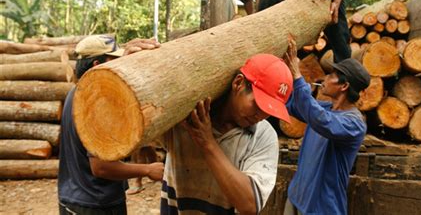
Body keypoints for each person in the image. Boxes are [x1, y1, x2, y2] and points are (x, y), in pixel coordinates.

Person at [160, 53, 294, 214]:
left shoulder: (264, 136)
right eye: (258, 105)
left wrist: (208, 144)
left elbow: (249, 204)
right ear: (238, 83)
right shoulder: (186, 116)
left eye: (269, 111)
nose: (260, 116)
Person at [58, 35, 164, 215]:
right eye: (114, 60)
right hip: (95, 205)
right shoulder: (98, 104)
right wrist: (148, 169)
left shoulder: (77, 92)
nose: (119, 64)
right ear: (96, 65)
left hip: (75, 199)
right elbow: (100, 167)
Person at [283, 37, 370, 214]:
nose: (325, 78)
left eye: (331, 75)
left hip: (322, 208)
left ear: (344, 86)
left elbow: (321, 120)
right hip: (297, 197)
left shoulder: (354, 124)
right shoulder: (325, 108)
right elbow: (293, 105)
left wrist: (299, 78)